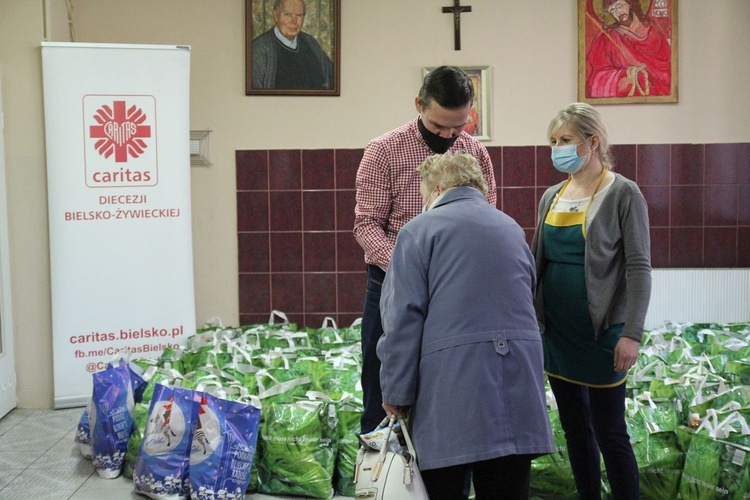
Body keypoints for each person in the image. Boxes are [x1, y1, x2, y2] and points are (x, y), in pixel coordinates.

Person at [377, 152, 555, 500]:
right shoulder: (511, 228)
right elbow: (530, 296)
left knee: (443, 486)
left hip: (451, 391)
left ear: (439, 188)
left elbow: (402, 319)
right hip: (518, 385)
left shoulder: (417, 232)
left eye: (425, 195)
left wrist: (396, 392)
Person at [353, 65, 497, 434]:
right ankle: (383, 484)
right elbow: (367, 225)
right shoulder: (383, 150)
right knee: (383, 393)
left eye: (458, 127)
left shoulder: (475, 154)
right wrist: (410, 269)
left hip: (455, 291)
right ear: (419, 104)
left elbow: (488, 223)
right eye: (438, 127)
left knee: (449, 393)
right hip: (391, 286)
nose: (448, 136)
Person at [531, 102, 651, 499]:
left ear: (592, 141)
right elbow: (537, 261)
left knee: (610, 432)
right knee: (575, 431)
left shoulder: (623, 193)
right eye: (553, 141)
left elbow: (639, 268)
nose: (557, 148)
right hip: (558, 335)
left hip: (603, 333)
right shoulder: (552, 195)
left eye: (565, 140)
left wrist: (631, 333)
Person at [586, 0, 671, 97]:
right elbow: (598, 76)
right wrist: (624, 76)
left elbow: (668, 72)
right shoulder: (608, 38)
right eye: (612, 10)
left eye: (620, 6)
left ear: (630, 3)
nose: (618, 13)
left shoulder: (655, 34)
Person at [251, 0, 334, 89]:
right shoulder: (259, 49)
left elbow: (332, 79)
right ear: (276, 15)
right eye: (287, 14)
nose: (294, 21)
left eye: (299, 15)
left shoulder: (310, 43)